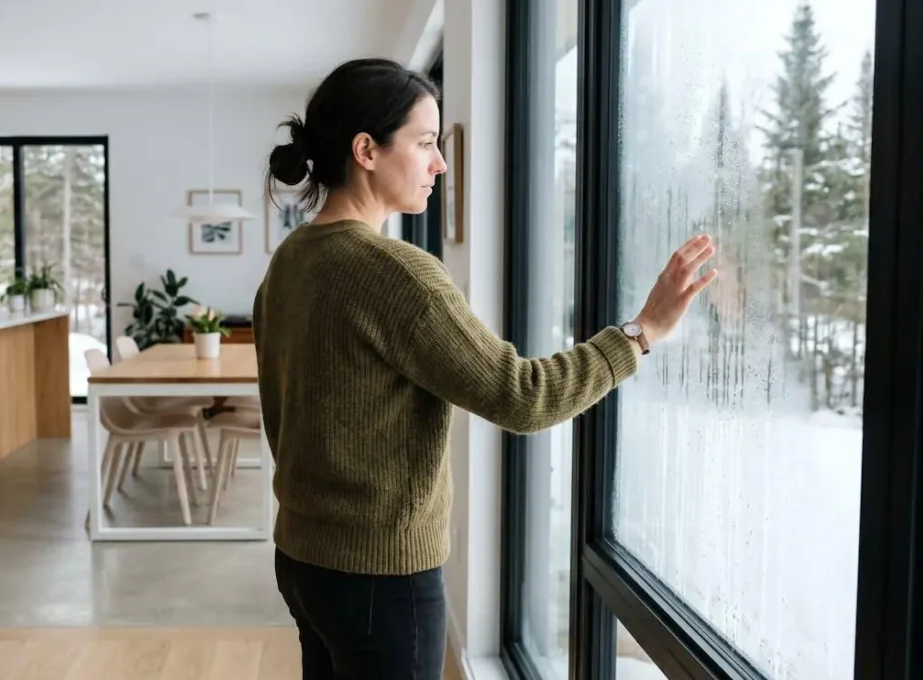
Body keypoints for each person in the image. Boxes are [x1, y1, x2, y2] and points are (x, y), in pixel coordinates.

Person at [252, 58, 716, 679]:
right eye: (425, 143)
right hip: (377, 580)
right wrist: (641, 333)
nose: (440, 164)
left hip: (303, 558)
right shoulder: (395, 273)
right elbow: (523, 397)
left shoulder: (291, 259)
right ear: (366, 151)